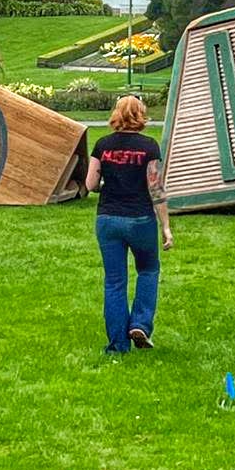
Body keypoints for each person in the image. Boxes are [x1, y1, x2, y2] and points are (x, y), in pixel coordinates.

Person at [85, 96, 172, 353]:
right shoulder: (149, 147)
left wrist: (106, 183)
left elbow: (90, 185)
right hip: (140, 220)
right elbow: (155, 189)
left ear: (116, 114)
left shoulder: (102, 145)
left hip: (108, 220)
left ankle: (117, 345)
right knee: (148, 270)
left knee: (114, 281)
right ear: (141, 115)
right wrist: (165, 226)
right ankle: (141, 324)